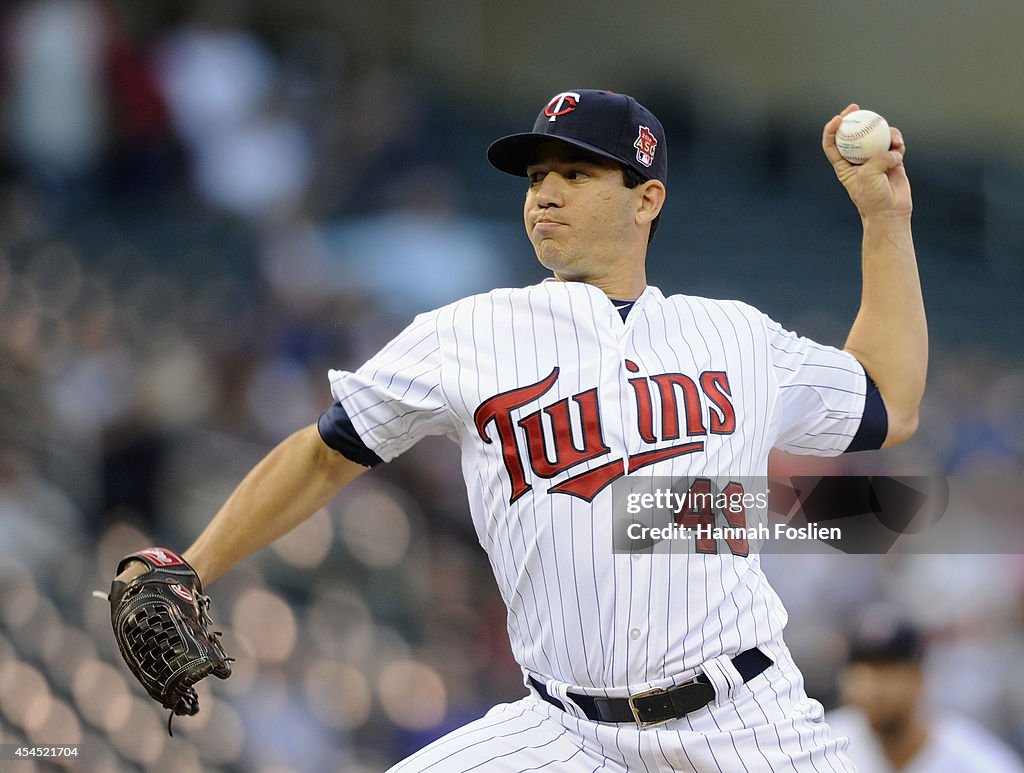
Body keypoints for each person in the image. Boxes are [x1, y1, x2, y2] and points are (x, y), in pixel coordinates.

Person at [114, 88, 927, 770]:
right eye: (537, 176)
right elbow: (325, 454)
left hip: (749, 719)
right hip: (565, 732)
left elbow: (889, 401)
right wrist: (192, 565)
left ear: (648, 198)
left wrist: (885, 224)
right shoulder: (466, 334)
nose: (546, 192)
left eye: (576, 172)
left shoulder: (736, 336)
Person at [827, 605, 1024, 772]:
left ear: (919, 677)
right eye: (862, 670)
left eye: (886, 670)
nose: (870, 686)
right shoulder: (822, 746)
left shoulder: (977, 761)